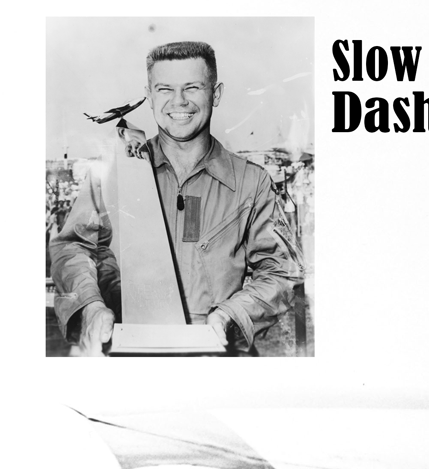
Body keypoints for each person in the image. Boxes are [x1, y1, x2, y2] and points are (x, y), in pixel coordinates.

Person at [50, 41, 297, 356]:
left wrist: (232, 316)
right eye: (165, 89)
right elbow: (72, 247)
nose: (179, 102)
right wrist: (91, 305)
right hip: (129, 355)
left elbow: (281, 271)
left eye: (192, 87)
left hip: (217, 359)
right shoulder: (114, 172)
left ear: (216, 93)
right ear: (150, 95)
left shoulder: (253, 182)